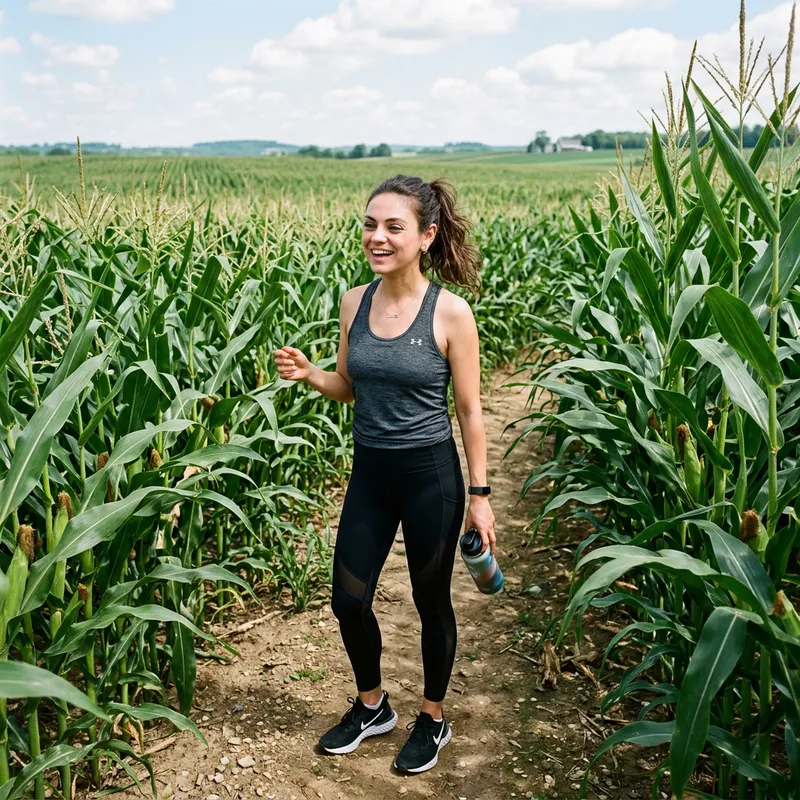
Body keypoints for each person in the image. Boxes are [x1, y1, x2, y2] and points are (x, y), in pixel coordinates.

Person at [273, 174, 496, 774]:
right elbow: (350, 386)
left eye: (393, 227)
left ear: (426, 236)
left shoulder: (450, 313)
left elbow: (470, 412)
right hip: (371, 472)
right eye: (370, 224)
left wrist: (480, 496)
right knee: (347, 599)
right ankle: (373, 707)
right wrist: (311, 374)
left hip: (432, 477)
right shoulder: (355, 301)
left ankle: (433, 716)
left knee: (430, 599)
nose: (377, 236)